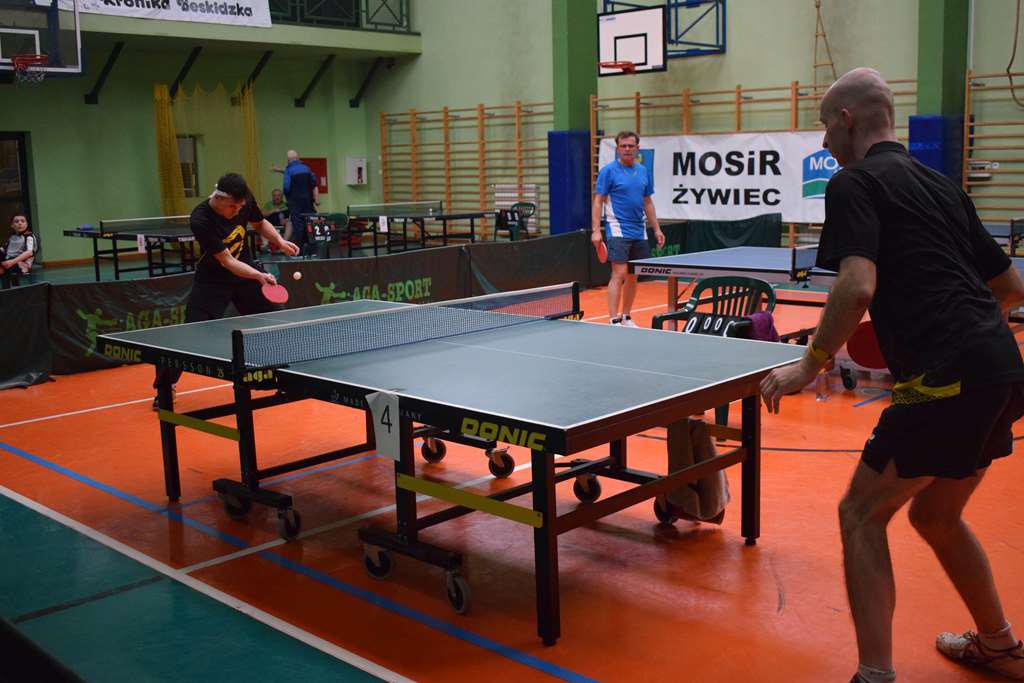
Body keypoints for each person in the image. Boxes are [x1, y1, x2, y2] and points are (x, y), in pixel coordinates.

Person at [758, 68, 1024, 683]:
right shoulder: (941, 185)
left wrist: (809, 364)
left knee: (859, 514)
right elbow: (1010, 287)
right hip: (1003, 371)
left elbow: (857, 286)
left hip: (946, 380)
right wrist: (967, 336)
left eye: (825, 126)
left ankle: (873, 676)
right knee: (934, 516)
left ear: (847, 119)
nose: (824, 141)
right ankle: (1000, 646)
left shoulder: (853, 182)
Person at [153, 172, 300, 408]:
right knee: (191, 333)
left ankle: (280, 377)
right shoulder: (201, 219)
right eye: (233, 206)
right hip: (214, 281)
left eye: (241, 206)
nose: (237, 211)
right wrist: (259, 275)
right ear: (219, 198)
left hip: (246, 273)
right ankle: (164, 386)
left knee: (275, 320)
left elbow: (259, 223)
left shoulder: (243, 199)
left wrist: (280, 241)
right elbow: (227, 261)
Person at [591, 131, 665, 326]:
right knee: (619, 274)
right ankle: (613, 318)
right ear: (617, 149)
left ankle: (626, 316)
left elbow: (647, 202)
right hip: (617, 228)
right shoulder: (608, 171)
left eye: (631, 146)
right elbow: (598, 201)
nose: (627, 149)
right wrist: (596, 230)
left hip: (639, 230)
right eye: (623, 146)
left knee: (633, 275)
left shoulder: (643, 171)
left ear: (637, 148)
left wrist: (656, 229)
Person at [276, 151, 318, 256]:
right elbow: (314, 184)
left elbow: (286, 187)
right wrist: (316, 200)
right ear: (298, 158)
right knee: (309, 224)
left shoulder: (289, 170)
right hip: (308, 203)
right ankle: (312, 251)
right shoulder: (307, 168)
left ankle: (299, 252)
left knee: (298, 227)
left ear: (288, 160)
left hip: (295, 203)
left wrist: (288, 199)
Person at [0, 214, 37, 288]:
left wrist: (12, 262)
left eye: (22, 221)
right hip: (8, 261)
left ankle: (10, 290)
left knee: (6, 270)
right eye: (16, 221)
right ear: (12, 225)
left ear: (26, 224)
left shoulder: (29, 236)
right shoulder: (12, 237)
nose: (20, 223)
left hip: (22, 263)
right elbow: (3, 249)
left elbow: (29, 253)